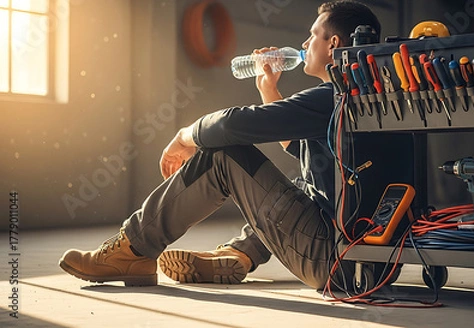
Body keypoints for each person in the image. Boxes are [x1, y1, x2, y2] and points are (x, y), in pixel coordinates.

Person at [59, 0, 381, 290]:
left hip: (331, 258)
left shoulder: (331, 97)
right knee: (302, 186)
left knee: (225, 156)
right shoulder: (368, 98)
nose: (304, 43)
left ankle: (134, 249)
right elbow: (302, 148)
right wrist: (268, 89)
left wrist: (184, 135)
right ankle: (240, 254)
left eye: (313, 36)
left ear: (334, 44)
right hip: (365, 263)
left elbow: (232, 126)